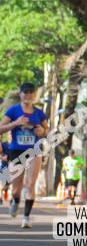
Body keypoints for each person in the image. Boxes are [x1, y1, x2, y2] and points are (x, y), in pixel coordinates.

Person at [0, 82, 49, 228]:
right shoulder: (13, 111)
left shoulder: (39, 113)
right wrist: (15, 123)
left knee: (30, 184)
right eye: (25, 92)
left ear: (34, 95)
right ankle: (15, 200)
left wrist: (42, 132)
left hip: (34, 151)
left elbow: (47, 130)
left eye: (31, 92)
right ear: (20, 94)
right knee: (17, 188)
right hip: (16, 151)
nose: (28, 95)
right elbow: (1, 129)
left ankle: (26, 218)